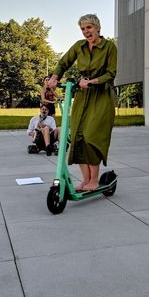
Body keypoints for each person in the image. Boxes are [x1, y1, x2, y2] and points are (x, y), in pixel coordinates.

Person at [48, 14, 117, 192]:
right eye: (83, 29)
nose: (86, 31)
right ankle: (86, 180)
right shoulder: (79, 46)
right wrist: (55, 77)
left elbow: (110, 73)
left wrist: (92, 81)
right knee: (78, 136)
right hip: (81, 96)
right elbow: (64, 62)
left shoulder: (109, 47)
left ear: (98, 28)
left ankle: (94, 180)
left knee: (91, 136)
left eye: (89, 27)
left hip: (101, 96)